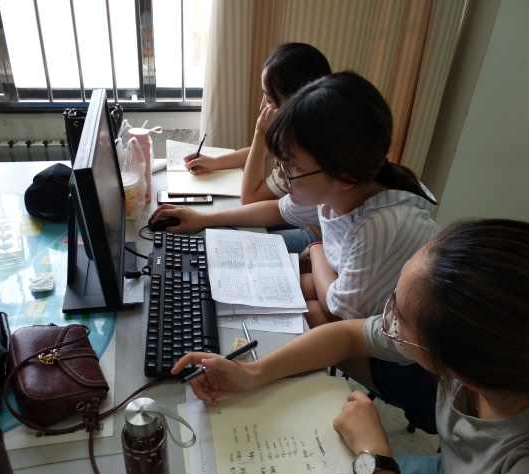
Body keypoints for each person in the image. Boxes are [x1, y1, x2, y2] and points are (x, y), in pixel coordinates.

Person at [173, 218, 529, 474]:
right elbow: (346, 336)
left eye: (399, 317)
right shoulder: (489, 358)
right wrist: (253, 372)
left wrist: (374, 456)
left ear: (465, 373)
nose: (387, 319)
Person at [151, 71, 440, 329]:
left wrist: (317, 249)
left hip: (400, 346)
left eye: (292, 167)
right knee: (284, 289)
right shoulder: (337, 191)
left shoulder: (379, 225)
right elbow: (276, 211)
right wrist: (203, 219)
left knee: (307, 308)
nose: (280, 175)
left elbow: (339, 312)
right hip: (355, 297)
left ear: (344, 176)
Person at [184, 43, 332, 252]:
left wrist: (260, 134)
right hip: (298, 216)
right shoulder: (304, 128)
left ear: (296, 103)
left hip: (318, 235)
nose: (261, 106)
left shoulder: (307, 155)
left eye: (269, 99)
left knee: (236, 242)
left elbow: (250, 198)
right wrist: (215, 162)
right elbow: (263, 154)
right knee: (227, 229)